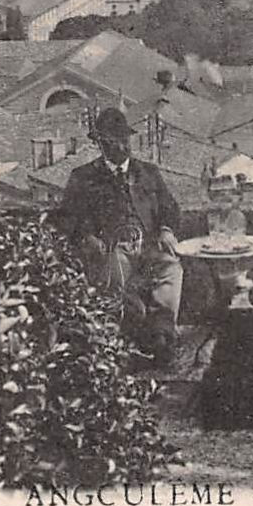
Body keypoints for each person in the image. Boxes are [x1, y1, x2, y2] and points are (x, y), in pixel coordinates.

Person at [55, 107, 184, 366]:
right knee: (116, 281)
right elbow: (68, 218)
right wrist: (88, 237)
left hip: (149, 245)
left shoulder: (148, 172)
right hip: (112, 248)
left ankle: (162, 336)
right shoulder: (83, 177)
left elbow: (170, 208)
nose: (122, 145)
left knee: (172, 269)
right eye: (113, 140)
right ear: (101, 143)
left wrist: (166, 230)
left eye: (124, 139)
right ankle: (127, 344)